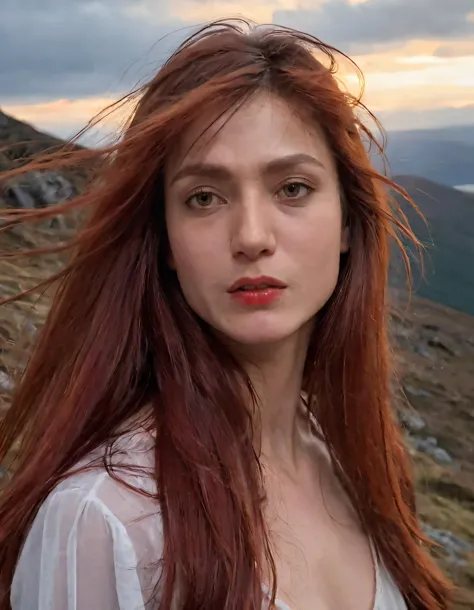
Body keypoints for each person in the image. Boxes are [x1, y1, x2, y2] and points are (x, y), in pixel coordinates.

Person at [0, 18, 451, 610]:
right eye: (204, 198)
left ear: (348, 220)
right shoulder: (103, 521)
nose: (252, 236)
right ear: (164, 240)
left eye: (292, 188)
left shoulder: (360, 465)